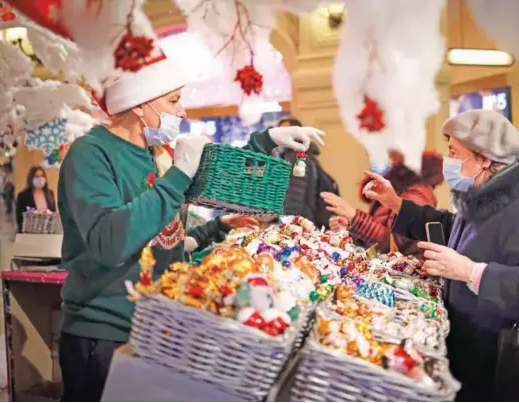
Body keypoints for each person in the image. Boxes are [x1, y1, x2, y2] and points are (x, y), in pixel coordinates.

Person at [57, 53, 325, 401]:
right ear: (139, 105)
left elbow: (166, 234)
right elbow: (111, 241)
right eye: (173, 100)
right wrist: (178, 175)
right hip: (103, 332)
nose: (182, 111)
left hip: (154, 326)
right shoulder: (91, 153)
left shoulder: (158, 154)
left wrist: (265, 141)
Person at [363, 110, 519, 401]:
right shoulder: (487, 194)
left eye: (455, 152)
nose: (449, 161)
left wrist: (471, 272)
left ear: (484, 158)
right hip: (477, 353)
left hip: (510, 364)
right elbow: (457, 229)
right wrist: (397, 205)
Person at [322, 150, 443, 256]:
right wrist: (351, 230)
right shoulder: (394, 186)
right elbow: (380, 234)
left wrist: (356, 217)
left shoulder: (415, 191)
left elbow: (399, 247)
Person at [277, 116, 339, 229]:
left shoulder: (295, 158)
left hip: (300, 224)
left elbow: (294, 197)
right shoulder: (307, 156)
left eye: (285, 132)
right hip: (309, 222)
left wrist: (289, 226)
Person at [15, 166, 56, 232]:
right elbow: (20, 219)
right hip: (30, 233)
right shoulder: (23, 196)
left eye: (42, 175)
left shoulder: (50, 194)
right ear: (31, 179)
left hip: (47, 232)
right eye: (37, 176)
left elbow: (53, 214)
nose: (40, 178)